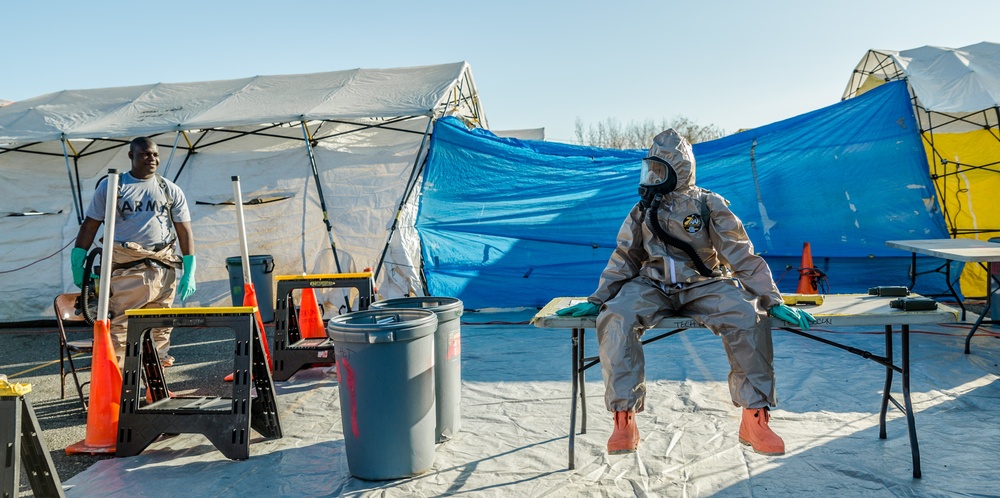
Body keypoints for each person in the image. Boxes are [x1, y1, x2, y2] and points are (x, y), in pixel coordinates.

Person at [557, 129, 814, 456]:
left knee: (748, 315)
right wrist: (598, 300)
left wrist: (771, 299)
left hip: (704, 284)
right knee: (616, 316)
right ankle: (624, 419)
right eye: (650, 169)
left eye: (659, 169)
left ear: (679, 169)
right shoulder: (642, 210)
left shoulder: (708, 203)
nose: (652, 177)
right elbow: (624, 258)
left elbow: (740, 253)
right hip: (653, 285)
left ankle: (754, 418)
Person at [70, 137, 197, 367]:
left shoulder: (169, 189)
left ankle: (155, 390)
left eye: (156, 155)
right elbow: (90, 225)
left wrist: (190, 269)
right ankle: (115, 389)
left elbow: (184, 229)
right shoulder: (112, 187)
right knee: (122, 328)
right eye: (146, 154)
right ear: (131, 156)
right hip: (127, 269)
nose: (152, 159)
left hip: (163, 268)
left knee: (160, 327)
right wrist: (78, 259)